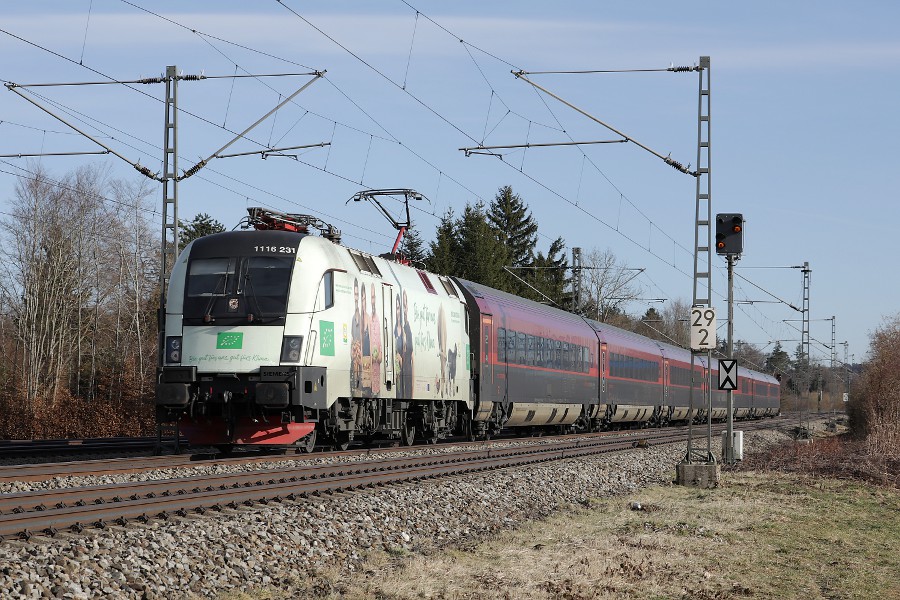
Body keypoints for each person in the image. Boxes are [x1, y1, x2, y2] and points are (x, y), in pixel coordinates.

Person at [369, 285, 382, 396]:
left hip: (377, 368)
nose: (372, 300)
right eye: (371, 296)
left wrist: (378, 356)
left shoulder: (377, 319)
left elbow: (380, 348)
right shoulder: (368, 318)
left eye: (374, 296)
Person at [402, 290, 414, 398]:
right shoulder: (397, 329)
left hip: (407, 375)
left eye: (406, 305)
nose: (404, 309)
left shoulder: (408, 328)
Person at [350, 278, 361, 394]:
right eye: (355, 294)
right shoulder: (352, 317)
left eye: (357, 294)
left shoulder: (364, 317)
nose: (356, 297)